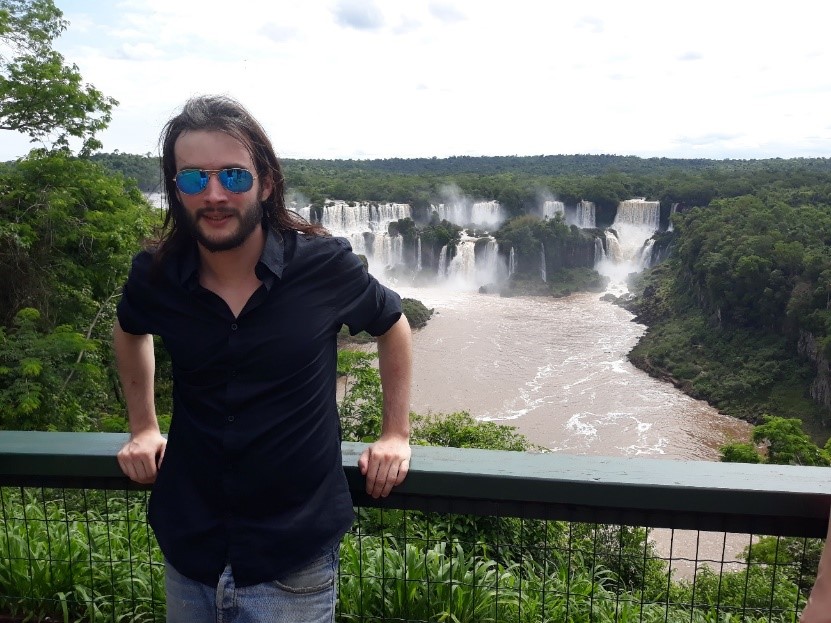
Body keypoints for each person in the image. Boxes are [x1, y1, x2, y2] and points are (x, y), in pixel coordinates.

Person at [114, 94, 412, 623]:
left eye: (233, 176)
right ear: (175, 188)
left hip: (292, 557)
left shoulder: (323, 266)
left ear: (266, 182)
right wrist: (142, 426)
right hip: (191, 551)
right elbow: (130, 329)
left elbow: (392, 323)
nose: (213, 195)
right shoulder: (156, 275)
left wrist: (395, 433)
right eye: (192, 179)